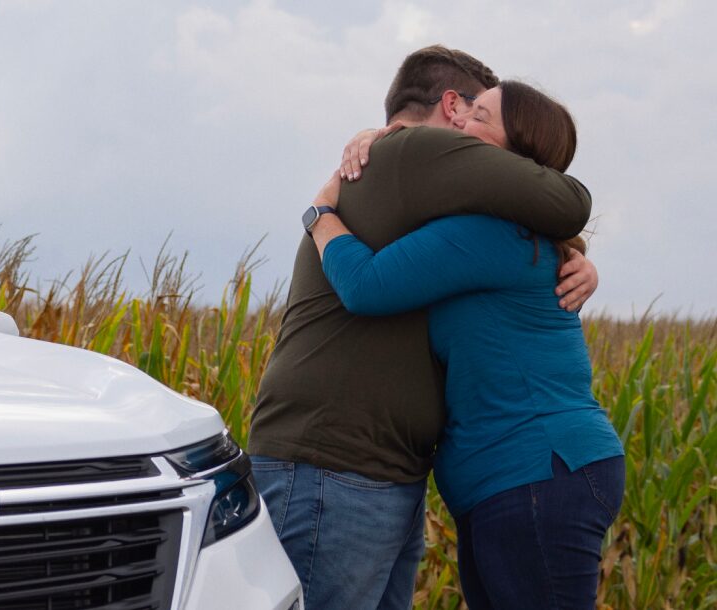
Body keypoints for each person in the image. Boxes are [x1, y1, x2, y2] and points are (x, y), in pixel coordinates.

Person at [247, 45, 599, 610]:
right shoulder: (420, 152)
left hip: (376, 472)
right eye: (473, 111)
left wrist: (573, 258)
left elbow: (539, 231)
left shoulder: (430, 182)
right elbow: (567, 199)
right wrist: (319, 215)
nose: (467, 126)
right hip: (335, 469)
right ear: (451, 107)